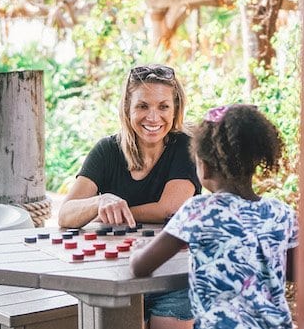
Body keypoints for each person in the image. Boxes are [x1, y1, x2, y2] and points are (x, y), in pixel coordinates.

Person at [58, 64, 202, 329]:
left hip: (174, 279)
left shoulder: (185, 146)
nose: (153, 117)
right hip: (115, 279)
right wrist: (100, 201)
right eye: (143, 106)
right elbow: (65, 215)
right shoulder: (106, 150)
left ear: (175, 108)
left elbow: (169, 208)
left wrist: (114, 213)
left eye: (163, 106)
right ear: (127, 108)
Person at [130, 104, 299, 329]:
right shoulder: (282, 213)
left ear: (205, 166)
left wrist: (137, 250)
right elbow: (296, 273)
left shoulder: (199, 210)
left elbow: (142, 266)